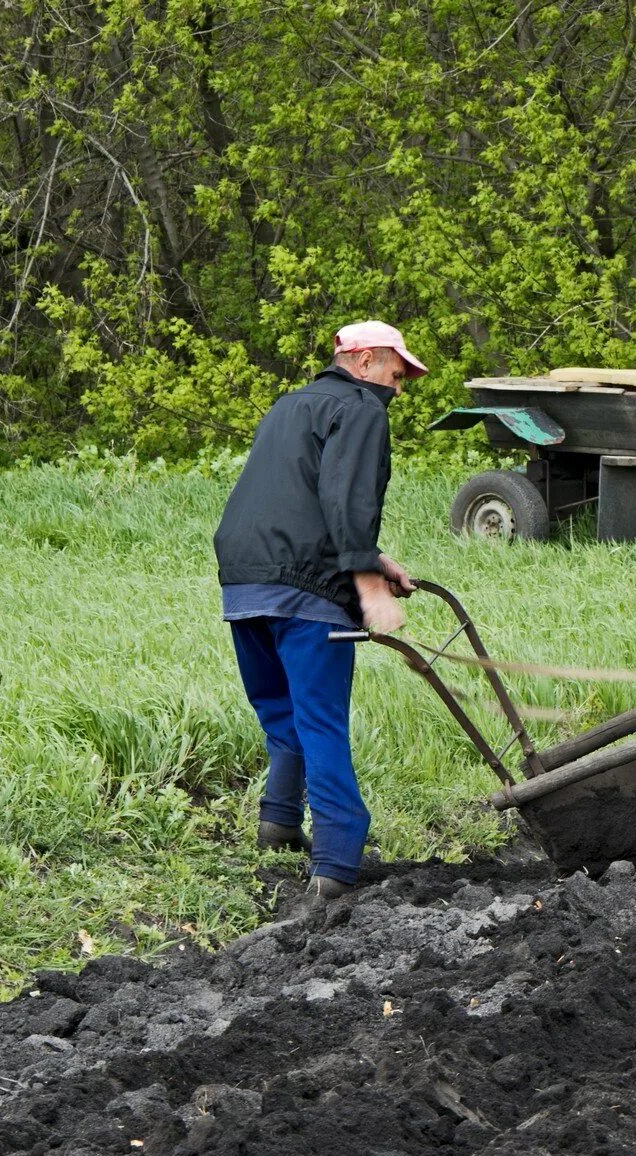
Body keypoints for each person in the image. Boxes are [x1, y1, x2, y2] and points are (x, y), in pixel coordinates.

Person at [213, 320, 427, 898]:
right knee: (321, 720)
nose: (398, 388)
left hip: (244, 578)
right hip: (306, 589)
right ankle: (336, 861)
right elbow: (348, 495)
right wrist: (368, 584)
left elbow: (302, 497)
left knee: (283, 714)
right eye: (396, 372)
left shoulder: (291, 405)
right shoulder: (362, 408)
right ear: (362, 362)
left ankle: (278, 823)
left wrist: (374, 557)